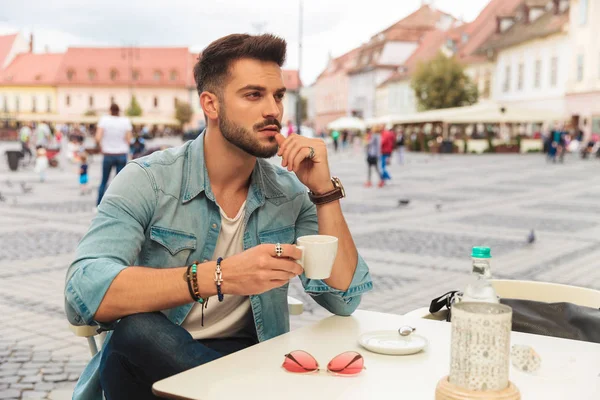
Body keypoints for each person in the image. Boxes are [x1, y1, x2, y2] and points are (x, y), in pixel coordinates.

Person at [65, 33, 372, 400]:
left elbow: (344, 298)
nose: (273, 110)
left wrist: (324, 193)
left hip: (243, 361)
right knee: (138, 331)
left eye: (278, 96)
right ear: (210, 104)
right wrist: (220, 276)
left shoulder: (288, 193)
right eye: (254, 95)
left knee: (241, 364)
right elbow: (82, 291)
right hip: (150, 367)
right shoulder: (149, 180)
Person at [95, 103, 133, 206]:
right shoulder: (125, 121)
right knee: (120, 183)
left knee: (104, 181)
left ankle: (99, 205)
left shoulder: (104, 120)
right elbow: (129, 139)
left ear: (110, 110)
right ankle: (118, 206)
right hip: (121, 154)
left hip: (108, 154)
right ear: (119, 111)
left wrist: (101, 146)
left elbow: (98, 137)